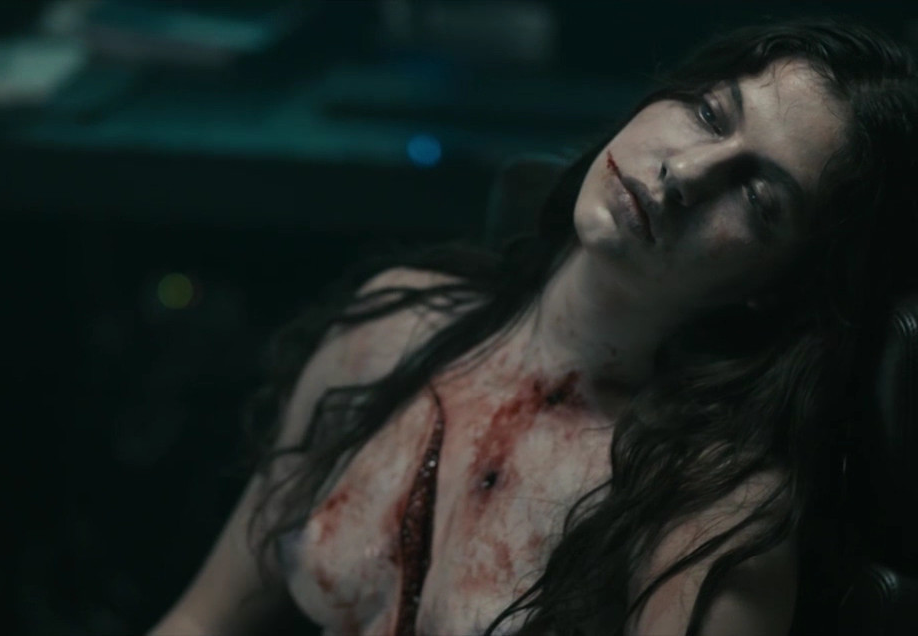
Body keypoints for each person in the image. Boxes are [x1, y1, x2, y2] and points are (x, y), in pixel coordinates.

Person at [150, 17, 918, 636]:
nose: (684, 173)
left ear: (778, 286)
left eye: (756, 196)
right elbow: (200, 620)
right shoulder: (392, 328)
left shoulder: (709, 510)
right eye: (709, 113)